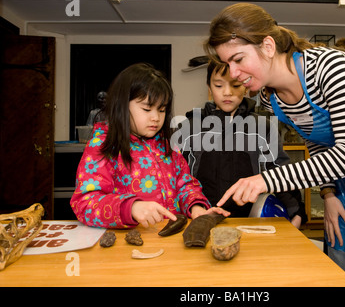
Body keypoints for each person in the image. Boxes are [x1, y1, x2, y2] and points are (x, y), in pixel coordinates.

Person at [204, 3, 345, 287]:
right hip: (344, 179)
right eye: (227, 64)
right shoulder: (269, 98)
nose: (233, 73)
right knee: (338, 266)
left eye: (238, 59)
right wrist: (329, 193)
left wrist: (265, 180)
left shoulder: (330, 67)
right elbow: (315, 139)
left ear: (267, 45)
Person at [70, 63, 229, 229]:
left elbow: (185, 184)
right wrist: (131, 208)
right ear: (122, 105)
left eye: (161, 110)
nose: (156, 117)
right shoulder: (104, 145)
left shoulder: (167, 145)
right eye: (147, 109)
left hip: (168, 241)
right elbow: (85, 203)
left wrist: (196, 208)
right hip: (124, 245)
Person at [175, 60, 306, 228]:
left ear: (246, 86)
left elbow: (278, 170)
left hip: (249, 222)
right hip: (199, 219)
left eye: (235, 86)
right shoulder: (189, 127)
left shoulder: (262, 127)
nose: (227, 93)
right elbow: (178, 176)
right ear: (209, 88)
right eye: (219, 86)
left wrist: (296, 211)